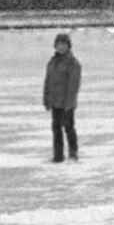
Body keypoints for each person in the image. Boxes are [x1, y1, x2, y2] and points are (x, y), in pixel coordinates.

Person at [42, 32, 81, 162]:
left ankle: (73, 153)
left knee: (69, 128)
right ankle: (58, 155)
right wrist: (46, 99)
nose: (61, 47)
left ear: (68, 46)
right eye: (59, 44)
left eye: (64, 44)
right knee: (56, 129)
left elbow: (73, 86)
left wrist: (69, 104)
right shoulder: (52, 62)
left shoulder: (73, 63)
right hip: (55, 102)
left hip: (66, 103)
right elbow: (48, 82)